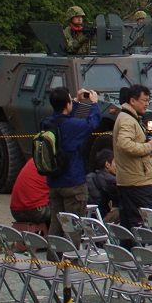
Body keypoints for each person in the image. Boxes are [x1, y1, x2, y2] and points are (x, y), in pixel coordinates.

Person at [41, 85, 103, 235]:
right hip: (73, 183)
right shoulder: (73, 126)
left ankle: (53, 250)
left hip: (54, 181)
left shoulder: (46, 123)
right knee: (73, 229)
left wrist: (75, 102)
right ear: (66, 104)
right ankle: (71, 252)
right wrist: (94, 104)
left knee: (56, 224)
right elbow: (92, 123)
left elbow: (64, 119)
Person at [112, 84, 152, 230]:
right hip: (138, 183)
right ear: (132, 101)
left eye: (148, 100)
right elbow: (124, 144)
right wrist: (148, 146)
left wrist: (151, 149)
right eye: (144, 100)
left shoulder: (128, 117)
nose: (147, 104)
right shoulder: (128, 120)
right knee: (148, 225)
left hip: (129, 180)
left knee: (129, 225)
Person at [9, 158, 51, 227]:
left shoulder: (36, 158)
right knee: (63, 211)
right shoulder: (53, 162)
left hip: (15, 211)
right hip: (35, 211)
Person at [86, 149, 119, 221]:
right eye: (115, 162)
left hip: (88, 219)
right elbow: (120, 200)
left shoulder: (89, 177)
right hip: (102, 219)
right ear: (107, 164)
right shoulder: (111, 180)